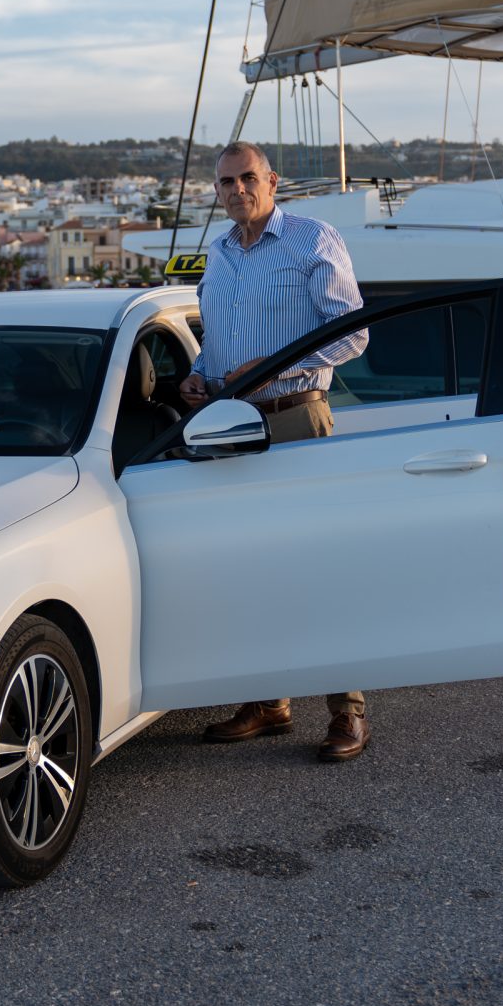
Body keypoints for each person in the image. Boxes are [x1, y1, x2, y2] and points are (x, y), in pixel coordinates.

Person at [180, 140, 373, 762]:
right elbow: (219, 344)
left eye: (248, 178)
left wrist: (278, 364)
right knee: (251, 568)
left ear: (272, 180)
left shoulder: (312, 239)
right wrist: (199, 374)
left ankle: (347, 711)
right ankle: (268, 702)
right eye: (226, 182)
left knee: (320, 566)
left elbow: (353, 334)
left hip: (296, 417)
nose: (237, 189)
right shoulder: (218, 255)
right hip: (232, 426)